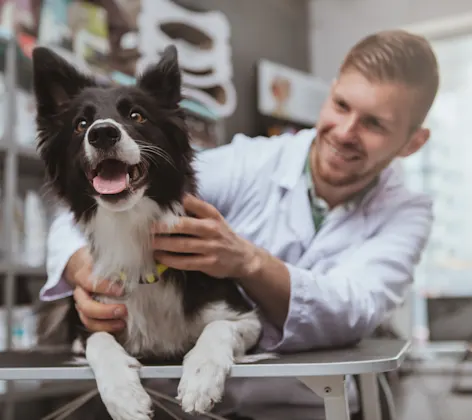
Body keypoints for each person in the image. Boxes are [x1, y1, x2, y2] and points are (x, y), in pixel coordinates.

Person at [40, 29, 439, 419]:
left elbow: (353, 308)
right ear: (330, 92)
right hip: (174, 406)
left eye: (374, 124)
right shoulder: (249, 162)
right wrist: (81, 268)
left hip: (309, 407)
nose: (346, 131)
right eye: (341, 105)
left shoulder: (407, 213)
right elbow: (87, 204)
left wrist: (247, 262)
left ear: (412, 143)